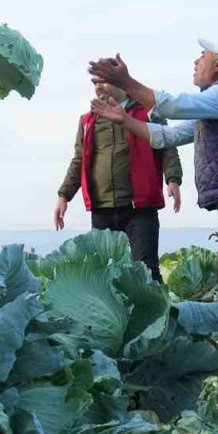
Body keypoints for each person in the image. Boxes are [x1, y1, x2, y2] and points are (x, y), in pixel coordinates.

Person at [88, 39, 218, 303]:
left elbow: (174, 106)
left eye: (202, 56)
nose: (196, 62)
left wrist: (127, 82)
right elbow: (169, 135)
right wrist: (126, 120)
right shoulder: (214, 106)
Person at [54, 76, 183, 281]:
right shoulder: (87, 121)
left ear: (120, 82)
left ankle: (158, 313)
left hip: (139, 209)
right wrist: (64, 196)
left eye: (102, 81)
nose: (97, 87)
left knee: (146, 271)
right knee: (104, 275)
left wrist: (173, 179)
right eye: (94, 83)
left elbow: (167, 147)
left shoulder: (148, 112)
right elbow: (79, 160)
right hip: (101, 208)